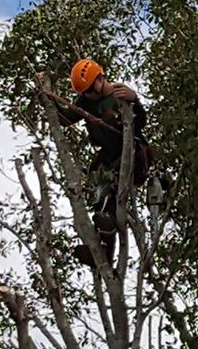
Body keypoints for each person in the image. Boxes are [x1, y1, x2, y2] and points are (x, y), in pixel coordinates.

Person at [56, 58, 152, 269]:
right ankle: (102, 250)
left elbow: (141, 122)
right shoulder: (86, 101)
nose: (88, 95)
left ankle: (106, 230)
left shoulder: (120, 95)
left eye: (91, 90)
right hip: (108, 158)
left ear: (100, 79)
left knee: (112, 191)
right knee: (101, 197)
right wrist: (46, 98)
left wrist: (134, 99)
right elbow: (66, 118)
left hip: (133, 154)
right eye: (85, 92)